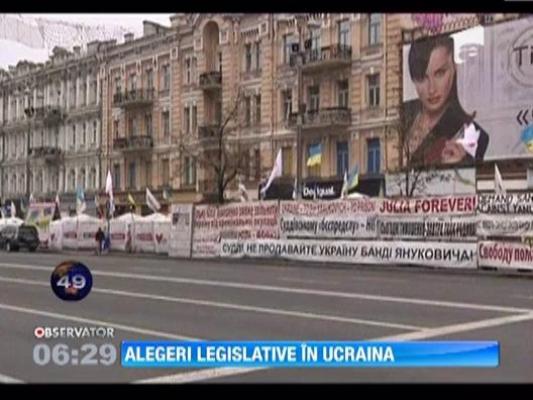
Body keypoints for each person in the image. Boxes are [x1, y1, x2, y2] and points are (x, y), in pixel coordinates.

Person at [405, 35, 489, 167]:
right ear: (413, 79)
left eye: (440, 73)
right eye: (422, 78)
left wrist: (459, 168)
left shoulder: (475, 135)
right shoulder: (403, 119)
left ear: (455, 68)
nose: (431, 89)